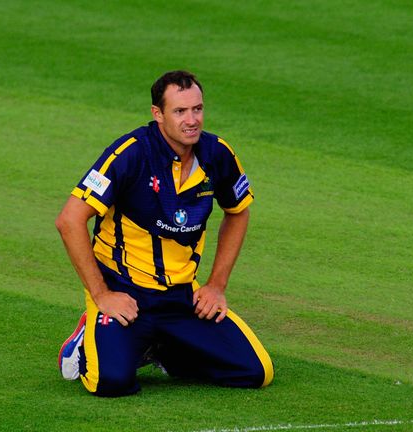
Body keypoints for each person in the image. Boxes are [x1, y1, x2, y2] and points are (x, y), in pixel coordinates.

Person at [55, 70, 274, 397]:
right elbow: (70, 220)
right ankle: (86, 339)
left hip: (180, 296)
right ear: (158, 114)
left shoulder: (217, 154)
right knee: (111, 382)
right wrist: (101, 295)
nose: (192, 120)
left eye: (197, 109)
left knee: (256, 371)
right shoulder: (130, 154)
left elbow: (238, 211)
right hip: (124, 291)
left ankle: (162, 349)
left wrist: (216, 285)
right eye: (180, 111)